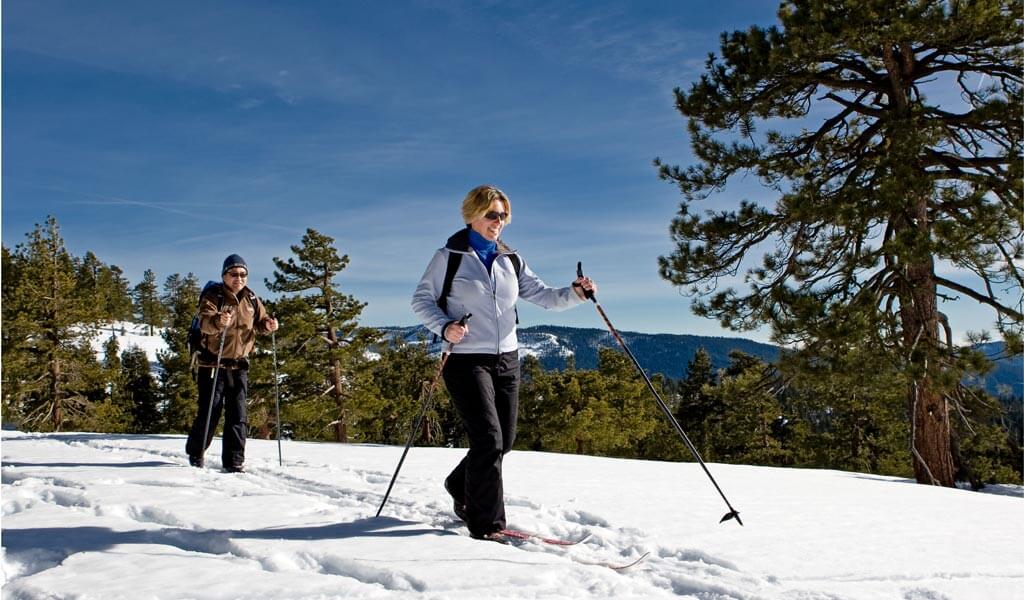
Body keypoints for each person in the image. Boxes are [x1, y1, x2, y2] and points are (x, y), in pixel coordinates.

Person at [411, 185, 596, 541]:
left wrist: (575, 292)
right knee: (489, 439)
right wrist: (444, 326)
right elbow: (421, 300)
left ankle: (458, 483)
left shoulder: (510, 258)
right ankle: (486, 524)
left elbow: (542, 295)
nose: (499, 222)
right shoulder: (448, 256)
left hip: (507, 358)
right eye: (493, 215)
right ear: (472, 215)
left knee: (504, 440)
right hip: (466, 359)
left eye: (504, 216)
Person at [186, 254, 278, 472]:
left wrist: (269, 325)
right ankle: (196, 454)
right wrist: (218, 320)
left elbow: (261, 322)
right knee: (210, 412)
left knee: (238, 415)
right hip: (212, 364)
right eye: (234, 274)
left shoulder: (251, 299)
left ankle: (234, 461)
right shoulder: (213, 296)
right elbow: (205, 323)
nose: (239, 278)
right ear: (224, 275)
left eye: (243, 274)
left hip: (239, 365)